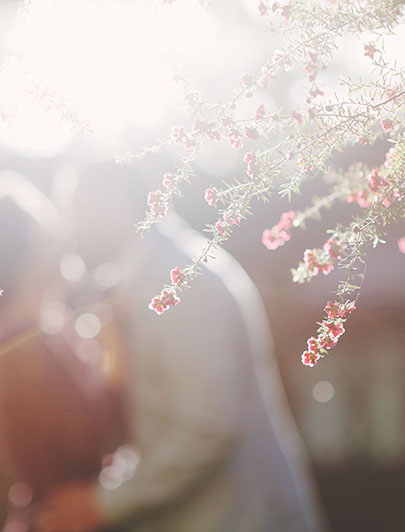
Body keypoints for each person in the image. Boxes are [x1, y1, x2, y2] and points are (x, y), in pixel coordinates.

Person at [34, 172, 327, 532]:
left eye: (77, 210)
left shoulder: (184, 280)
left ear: (116, 202)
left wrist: (104, 504)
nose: (70, 229)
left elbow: (208, 428)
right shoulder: (145, 276)